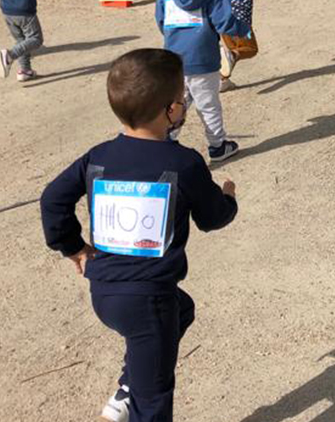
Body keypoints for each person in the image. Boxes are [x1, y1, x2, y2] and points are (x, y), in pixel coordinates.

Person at [40, 48, 239, 422]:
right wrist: (227, 199)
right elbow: (213, 219)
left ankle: (129, 386)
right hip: (149, 301)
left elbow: (52, 200)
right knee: (154, 401)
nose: (183, 105)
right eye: (182, 100)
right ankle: (137, 392)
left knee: (183, 310)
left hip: (106, 291)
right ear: (171, 111)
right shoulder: (184, 163)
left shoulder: (97, 156)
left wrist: (73, 248)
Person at [155, 0, 249, 163]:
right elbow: (224, 21)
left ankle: (166, 140)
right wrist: (243, 29)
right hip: (203, 59)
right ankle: (217, 146)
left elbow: (161, 20)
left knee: (178, 101)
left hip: (174, 59)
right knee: (208, 105)